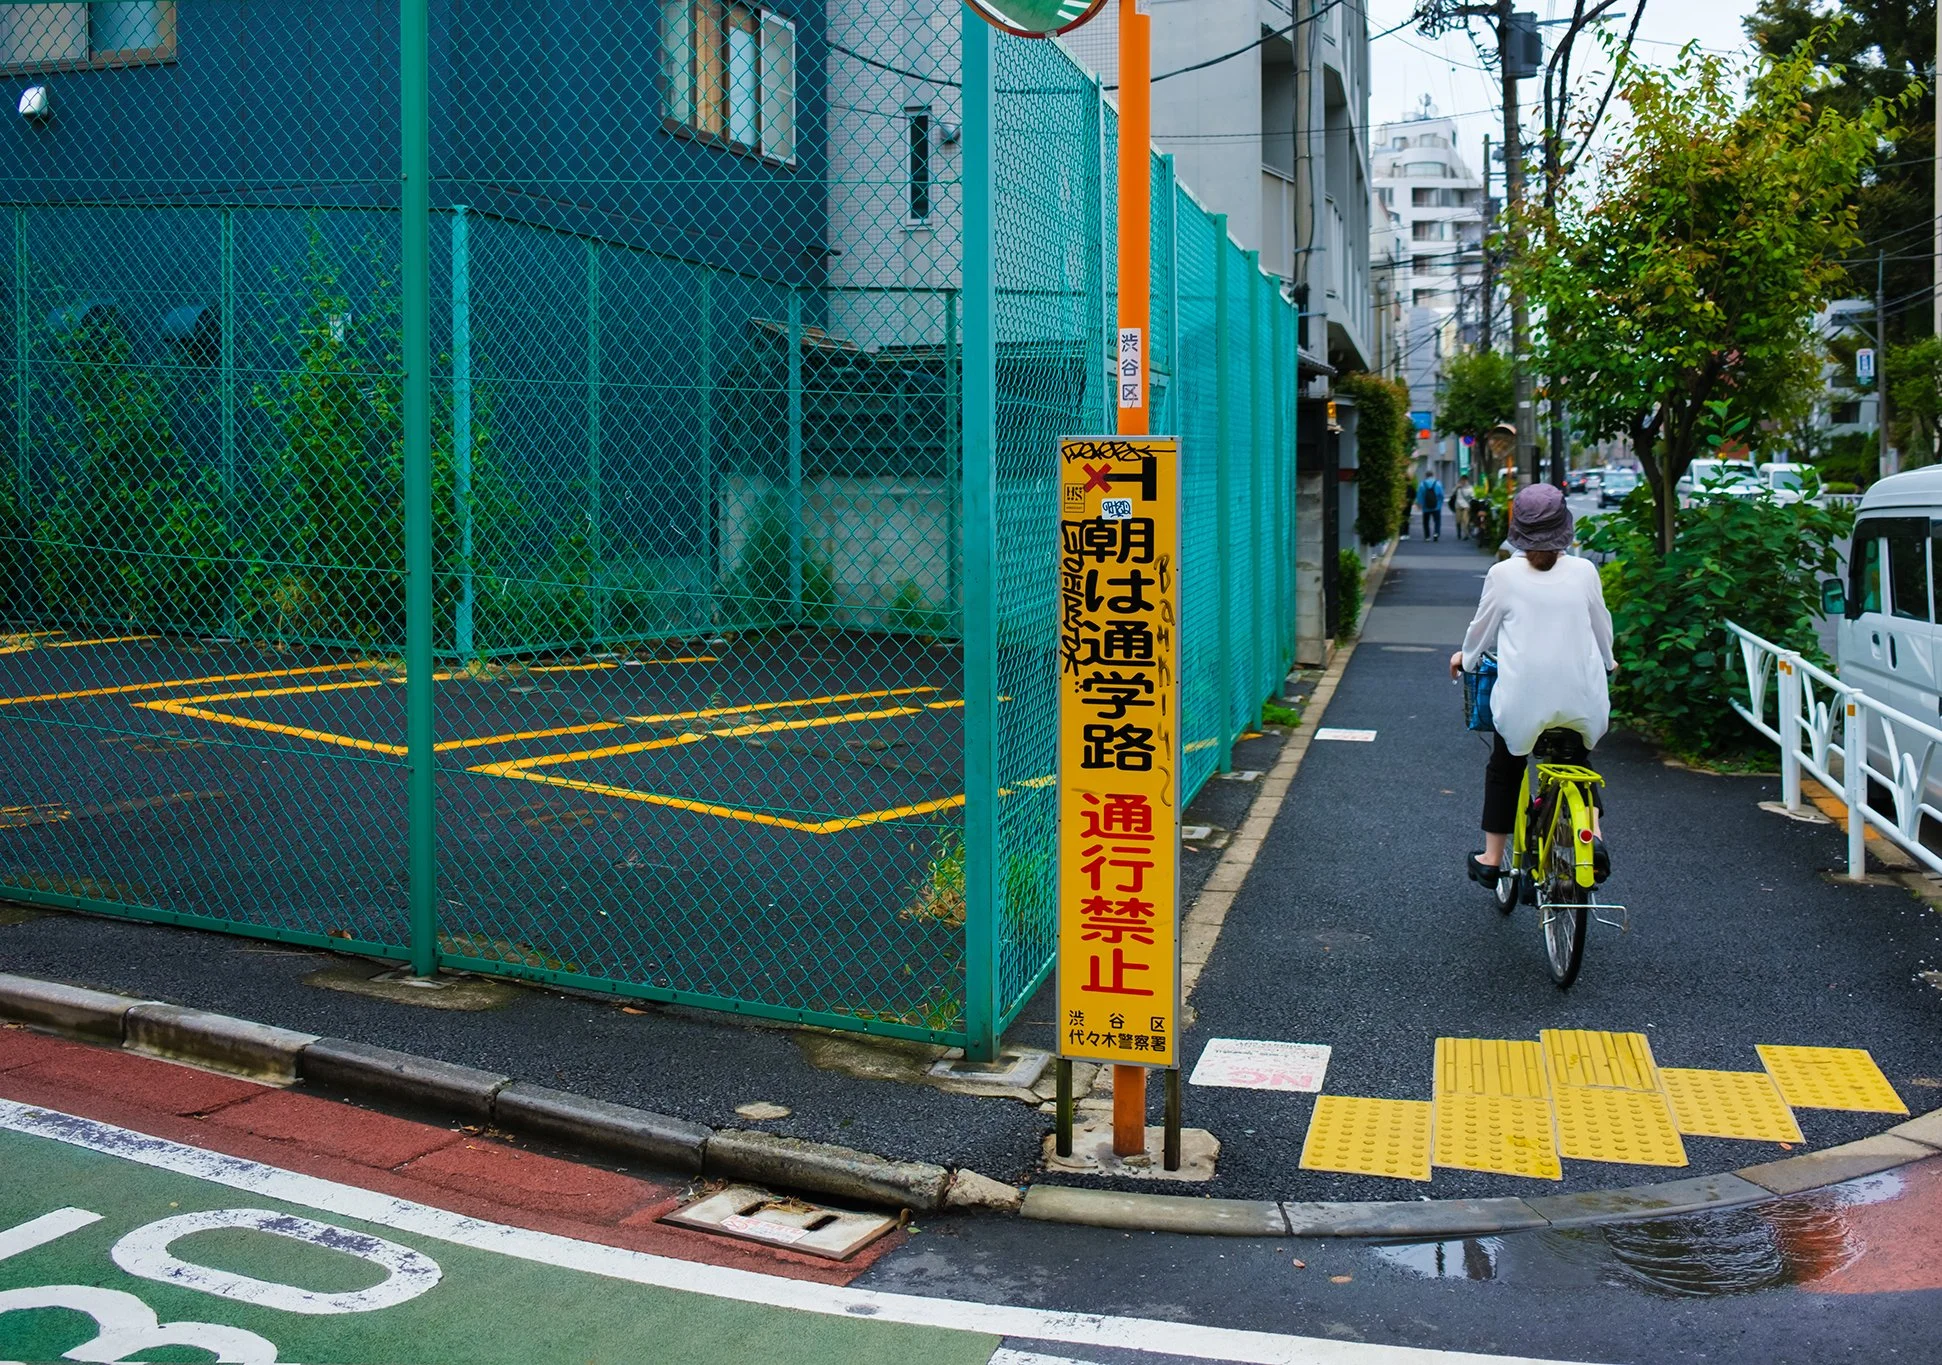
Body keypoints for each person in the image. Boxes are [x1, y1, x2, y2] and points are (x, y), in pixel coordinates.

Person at [1448, 483, 1616, 887]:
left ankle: (1490, 858)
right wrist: (1608, 661)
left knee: (1505, 767)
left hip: (1524, 704)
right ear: (1565, 530)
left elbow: (1480, 631)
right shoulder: (1584, 571)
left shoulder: (1503, 575)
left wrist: (1465, 660)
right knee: (1578, 764)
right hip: (1583, 701)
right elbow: (1601, 627)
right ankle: (1592, 841)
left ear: (1517, 530)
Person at [1417, 474, 1445, 542]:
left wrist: (1420, 504)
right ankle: (1436, 533)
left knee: (1426, 522)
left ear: (1426, 476)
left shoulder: (1422, 484)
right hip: (1436, 506)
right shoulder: (1438, 483)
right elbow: (1442, 495)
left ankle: (1427, 537)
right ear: (1433, 476)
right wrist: (1440, 504)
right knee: (1437, 521)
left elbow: (1419, 495)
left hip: (1426, 507)